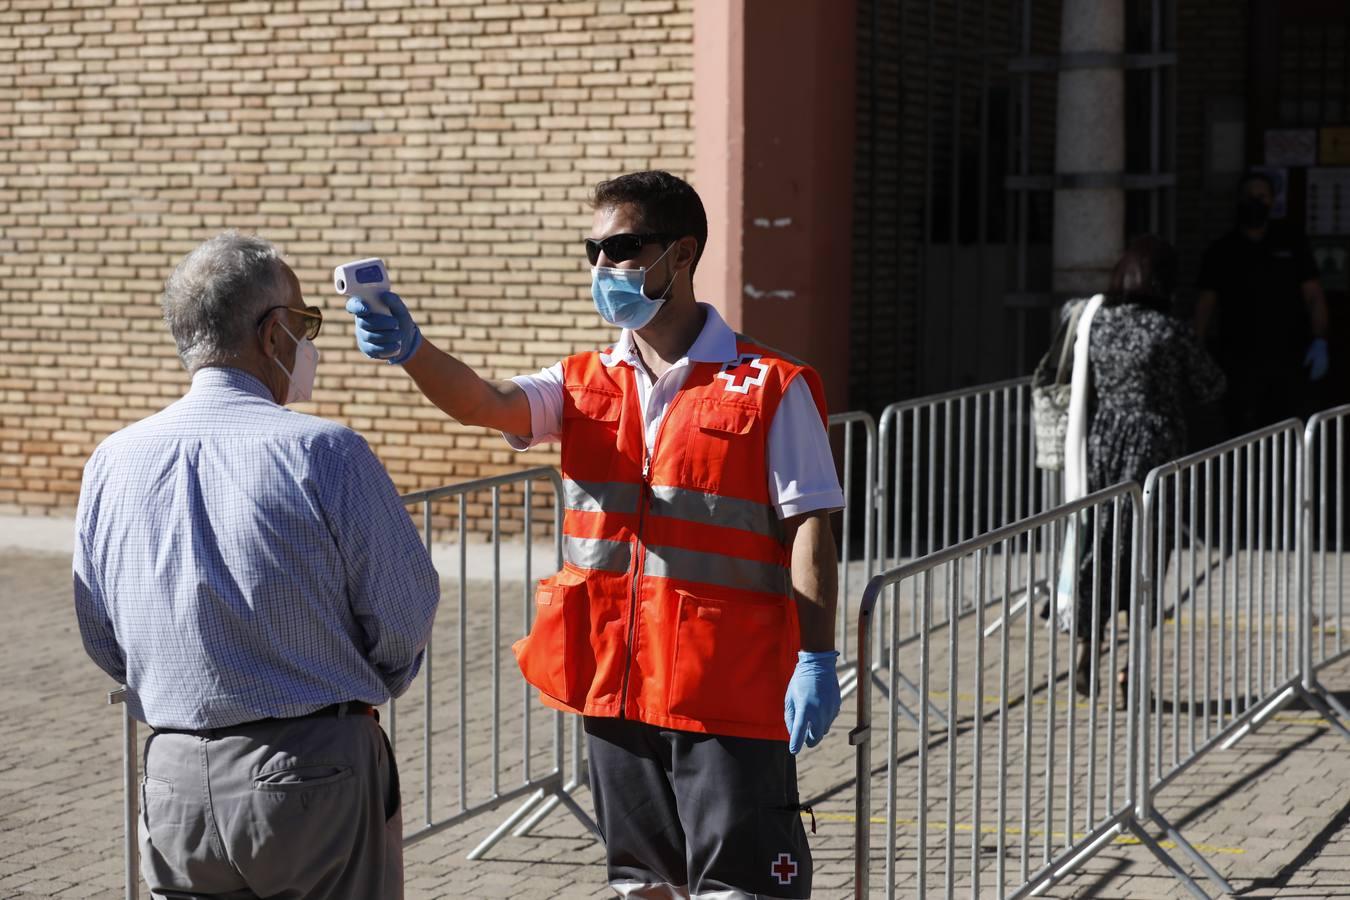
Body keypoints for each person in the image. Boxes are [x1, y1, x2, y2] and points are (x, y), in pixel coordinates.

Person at [345, 170, 844, 898]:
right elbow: (486, 403)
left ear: (682, 253)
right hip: (617, 690)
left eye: (622, 247)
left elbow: (810, 527)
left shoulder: (768, 384)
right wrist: (412, 349)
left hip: (726, 694)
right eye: (595, 251)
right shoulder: (583, 381)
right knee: (641, 887)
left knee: (743, 890)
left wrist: (818, 658)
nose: (605, 267)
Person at [74, 232, 439, 900]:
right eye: (305, 321)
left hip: (175, 774)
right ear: (273, 336)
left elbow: (102, 633)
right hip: (313, 770)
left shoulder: (113, 461)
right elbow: (404, 613)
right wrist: (369, 679)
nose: (309, 342)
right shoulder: (326, 452)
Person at [1072, 235, 1225, 696]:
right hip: (1155, 446)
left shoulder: (1099, 324)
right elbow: (1210, 384)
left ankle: (1086, 644)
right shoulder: (1167, 330)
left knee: (1098, 545)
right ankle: (1130, 666)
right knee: (1146, 552)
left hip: (1104, 442)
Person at [1196, 171, 1329, 435]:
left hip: (1289, 355)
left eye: (1262, 197)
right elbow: (1204, 307)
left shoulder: (1291, 243)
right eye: (1249, 197)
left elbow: (1313, 296)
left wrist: (1320, 340)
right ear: (1238, 201)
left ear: (1272, 201)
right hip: (1239, 358)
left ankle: (1287, 477)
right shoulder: (1222, 250)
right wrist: (1198, 353)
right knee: (1241, 432)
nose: (1255, 202)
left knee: (1286, 428)